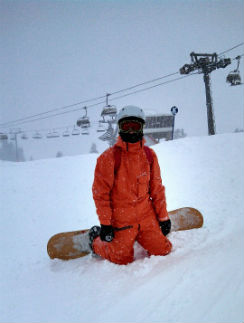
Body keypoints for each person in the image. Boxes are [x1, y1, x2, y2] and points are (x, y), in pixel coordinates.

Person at [89, 105, 172, 265]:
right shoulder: (108, 158)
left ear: (142, 128)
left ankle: (140, 235)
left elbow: (157, 188)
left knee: (163, 250)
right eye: (126, 127)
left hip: (146, 217)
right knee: (122, 259)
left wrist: (163, 217)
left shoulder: (149, 155)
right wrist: (106, 224)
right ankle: (95, 240)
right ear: (120, 129)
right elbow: (101, 194)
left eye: (136, 126)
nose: (132, 131)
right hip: (121, 220)